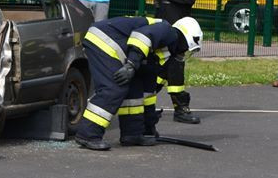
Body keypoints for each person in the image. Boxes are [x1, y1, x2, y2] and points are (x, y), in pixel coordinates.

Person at [74, 16, 203, 150]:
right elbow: (141, 36)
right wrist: (131, 65)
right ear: (188, 39)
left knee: (135, 87)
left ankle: (132, 134)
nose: (184, 53)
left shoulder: (160, 51)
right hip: (103, 39)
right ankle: (88, 134)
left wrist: (149, 127)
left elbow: (148, 92)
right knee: (114, 88)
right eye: (188, 49)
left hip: (113, 43)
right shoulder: (168, 31)